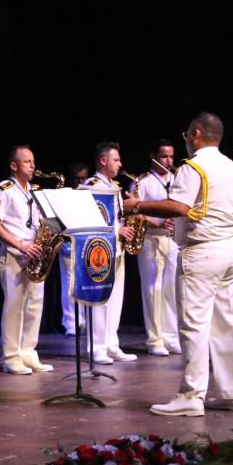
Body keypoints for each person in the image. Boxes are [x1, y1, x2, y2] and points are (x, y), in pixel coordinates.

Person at [123, 112, 233, 416]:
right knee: (229, 323)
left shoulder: (193, 167)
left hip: (202, 252)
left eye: (186, 136)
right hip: (229, 250)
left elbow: (179, 207)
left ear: (195, 134)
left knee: (194, 325)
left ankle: (192, 396)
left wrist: (136, 205)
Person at [0, 145, 53, 375]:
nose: (33, 166)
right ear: (14, 166)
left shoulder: (34, 191)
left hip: (35, 254)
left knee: (34, 306)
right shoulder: (3, 190)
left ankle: (28, 352)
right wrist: (21, 245)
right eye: (27, 162)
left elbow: (42, 221)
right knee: (14, 307)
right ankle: (11, 357)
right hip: (14, 254)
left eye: (33, 161)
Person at [78, 142, 137, 365]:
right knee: (99, 299)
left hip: (117, 249)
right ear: (103, 161)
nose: (120, 164)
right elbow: (89, 220)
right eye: (116, 160)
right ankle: (97, 348)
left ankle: (112, 344)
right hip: (99, 251)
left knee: (115, 299)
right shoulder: (90, 187)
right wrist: (116, 231)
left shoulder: (115, 186)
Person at [136, 139, 181, 357]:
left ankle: (171, 337)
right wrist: (157, 222)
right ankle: (154, 340)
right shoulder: (143, 183)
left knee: (171, 289)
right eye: (164, 156)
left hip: (173, 240)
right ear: (153, 157)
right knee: (153, 289)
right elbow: (133, 213)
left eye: (171, 156)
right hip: (150, 240)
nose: (168, 161)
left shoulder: (177, 180)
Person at [57, 163, 91, 337]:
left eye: (83, 178)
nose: (80, 182)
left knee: (87, 283)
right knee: (69, 285)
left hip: (87, 244)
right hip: (68, 244)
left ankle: (85, 321)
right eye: (77, 179)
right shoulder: (63, 195)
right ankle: (71, 323)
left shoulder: (90, 194)